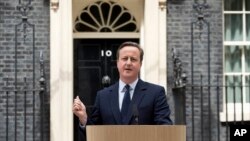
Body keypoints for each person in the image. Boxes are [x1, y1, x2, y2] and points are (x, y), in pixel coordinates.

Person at [73, 41, 172, 127]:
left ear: (140, 64)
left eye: (133, 59)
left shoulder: (155, 93)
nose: (128, 63)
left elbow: (164, 127)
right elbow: (94, 132)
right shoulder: (102, 96)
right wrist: (84, 118)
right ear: (117, 62)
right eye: (125, 58)